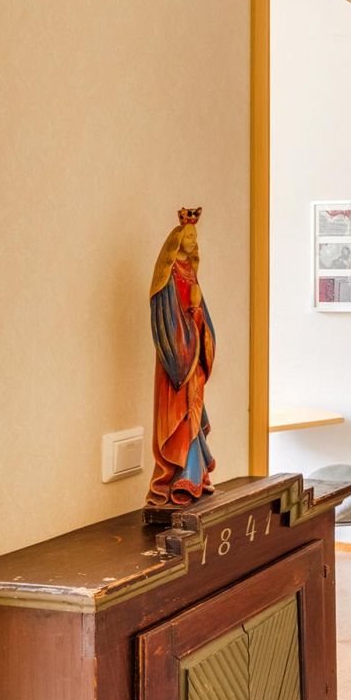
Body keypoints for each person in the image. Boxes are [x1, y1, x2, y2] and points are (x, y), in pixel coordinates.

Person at [147, 207, 217, 507]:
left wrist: (198, 318)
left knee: (194, 411)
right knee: (182, 412)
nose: (192, 241)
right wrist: (187, 331)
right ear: (177, 239)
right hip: (178, 355)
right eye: (188, 236)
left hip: (193, 352)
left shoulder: (191, 271)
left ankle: (194, 475)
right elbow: (167, 317)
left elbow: (198, 310)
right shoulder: (168, 273)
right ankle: (179, 476)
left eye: (194, 237)